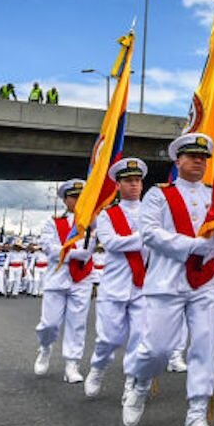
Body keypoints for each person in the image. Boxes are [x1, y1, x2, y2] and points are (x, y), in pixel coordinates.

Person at [120, 133, 214, 426]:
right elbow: (150, 233)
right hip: (168, 282)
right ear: (178, 160)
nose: (199, 161)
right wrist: (191, 246)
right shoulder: (159, 195)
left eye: (203, 157)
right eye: (192, 156)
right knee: (156, 349)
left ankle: (196, 417)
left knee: (204, 348)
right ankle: (140, 383)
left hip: (206, 282)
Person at [86, 158, 151, 399]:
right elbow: (113, 243)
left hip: (143, 285)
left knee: (140, 338)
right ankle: (98, 367)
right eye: (128, 181)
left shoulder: (152, 212)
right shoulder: (107, 215)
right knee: (109, 339)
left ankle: (131, 381)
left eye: (137, 180)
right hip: (115, 285)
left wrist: (148, 237)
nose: (134, 185)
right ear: (118, 185)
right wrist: (146, 237)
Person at [34, 180, 95, 383]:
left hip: (82, 278)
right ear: (65, 200)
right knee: (49, 324)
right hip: (57, 277)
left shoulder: (92, 222)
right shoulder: (53, 223)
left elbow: (96, 244)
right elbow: (50, 249)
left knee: (77, 323)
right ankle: (45, 347)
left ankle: (72, 364)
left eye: (81, 197)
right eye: (74, 197)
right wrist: (74, 254)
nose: (78, 201)